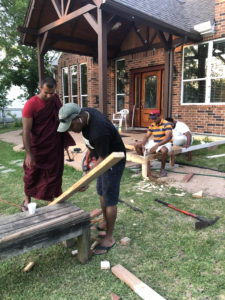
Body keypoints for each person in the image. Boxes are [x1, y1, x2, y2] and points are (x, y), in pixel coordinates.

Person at [57, 103, 126, 255]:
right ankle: (106, 223)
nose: (70, 130)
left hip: (113, 161)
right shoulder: (86, 114)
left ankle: (109, 237)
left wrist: (86, 179)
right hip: (103, 156)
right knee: (101, 193)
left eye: (70, 126)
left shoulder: (99, 131)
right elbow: (91, 145)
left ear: (79, 118)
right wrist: (88, 165)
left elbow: (103, 159)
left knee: (109, 199)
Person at [22, 77, 75, 212]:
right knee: (31, 173)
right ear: (40, 87)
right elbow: (26, 131)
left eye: (52, 93)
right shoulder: (31, 105)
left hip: (54, 143)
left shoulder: (55, 99)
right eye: (46, 92)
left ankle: (51, 198)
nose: (49, 96)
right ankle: (27, 200)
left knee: (55, 173)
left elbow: (61, 120)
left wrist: (64, 140)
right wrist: (28, 153)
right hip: (38, 146)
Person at [134, 109, 172, 177]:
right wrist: (143, 144)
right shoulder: (152, 125)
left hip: (165, 142)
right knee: (137, 145)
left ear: (159, 116)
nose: (153, 120)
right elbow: (146, 136)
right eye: (152, 119)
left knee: (164, 150)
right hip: (155, 142)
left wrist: (157, 145)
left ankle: (162, 169)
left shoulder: (167, 124)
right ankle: (143, 162)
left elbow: (168, 137)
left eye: (154, 118)